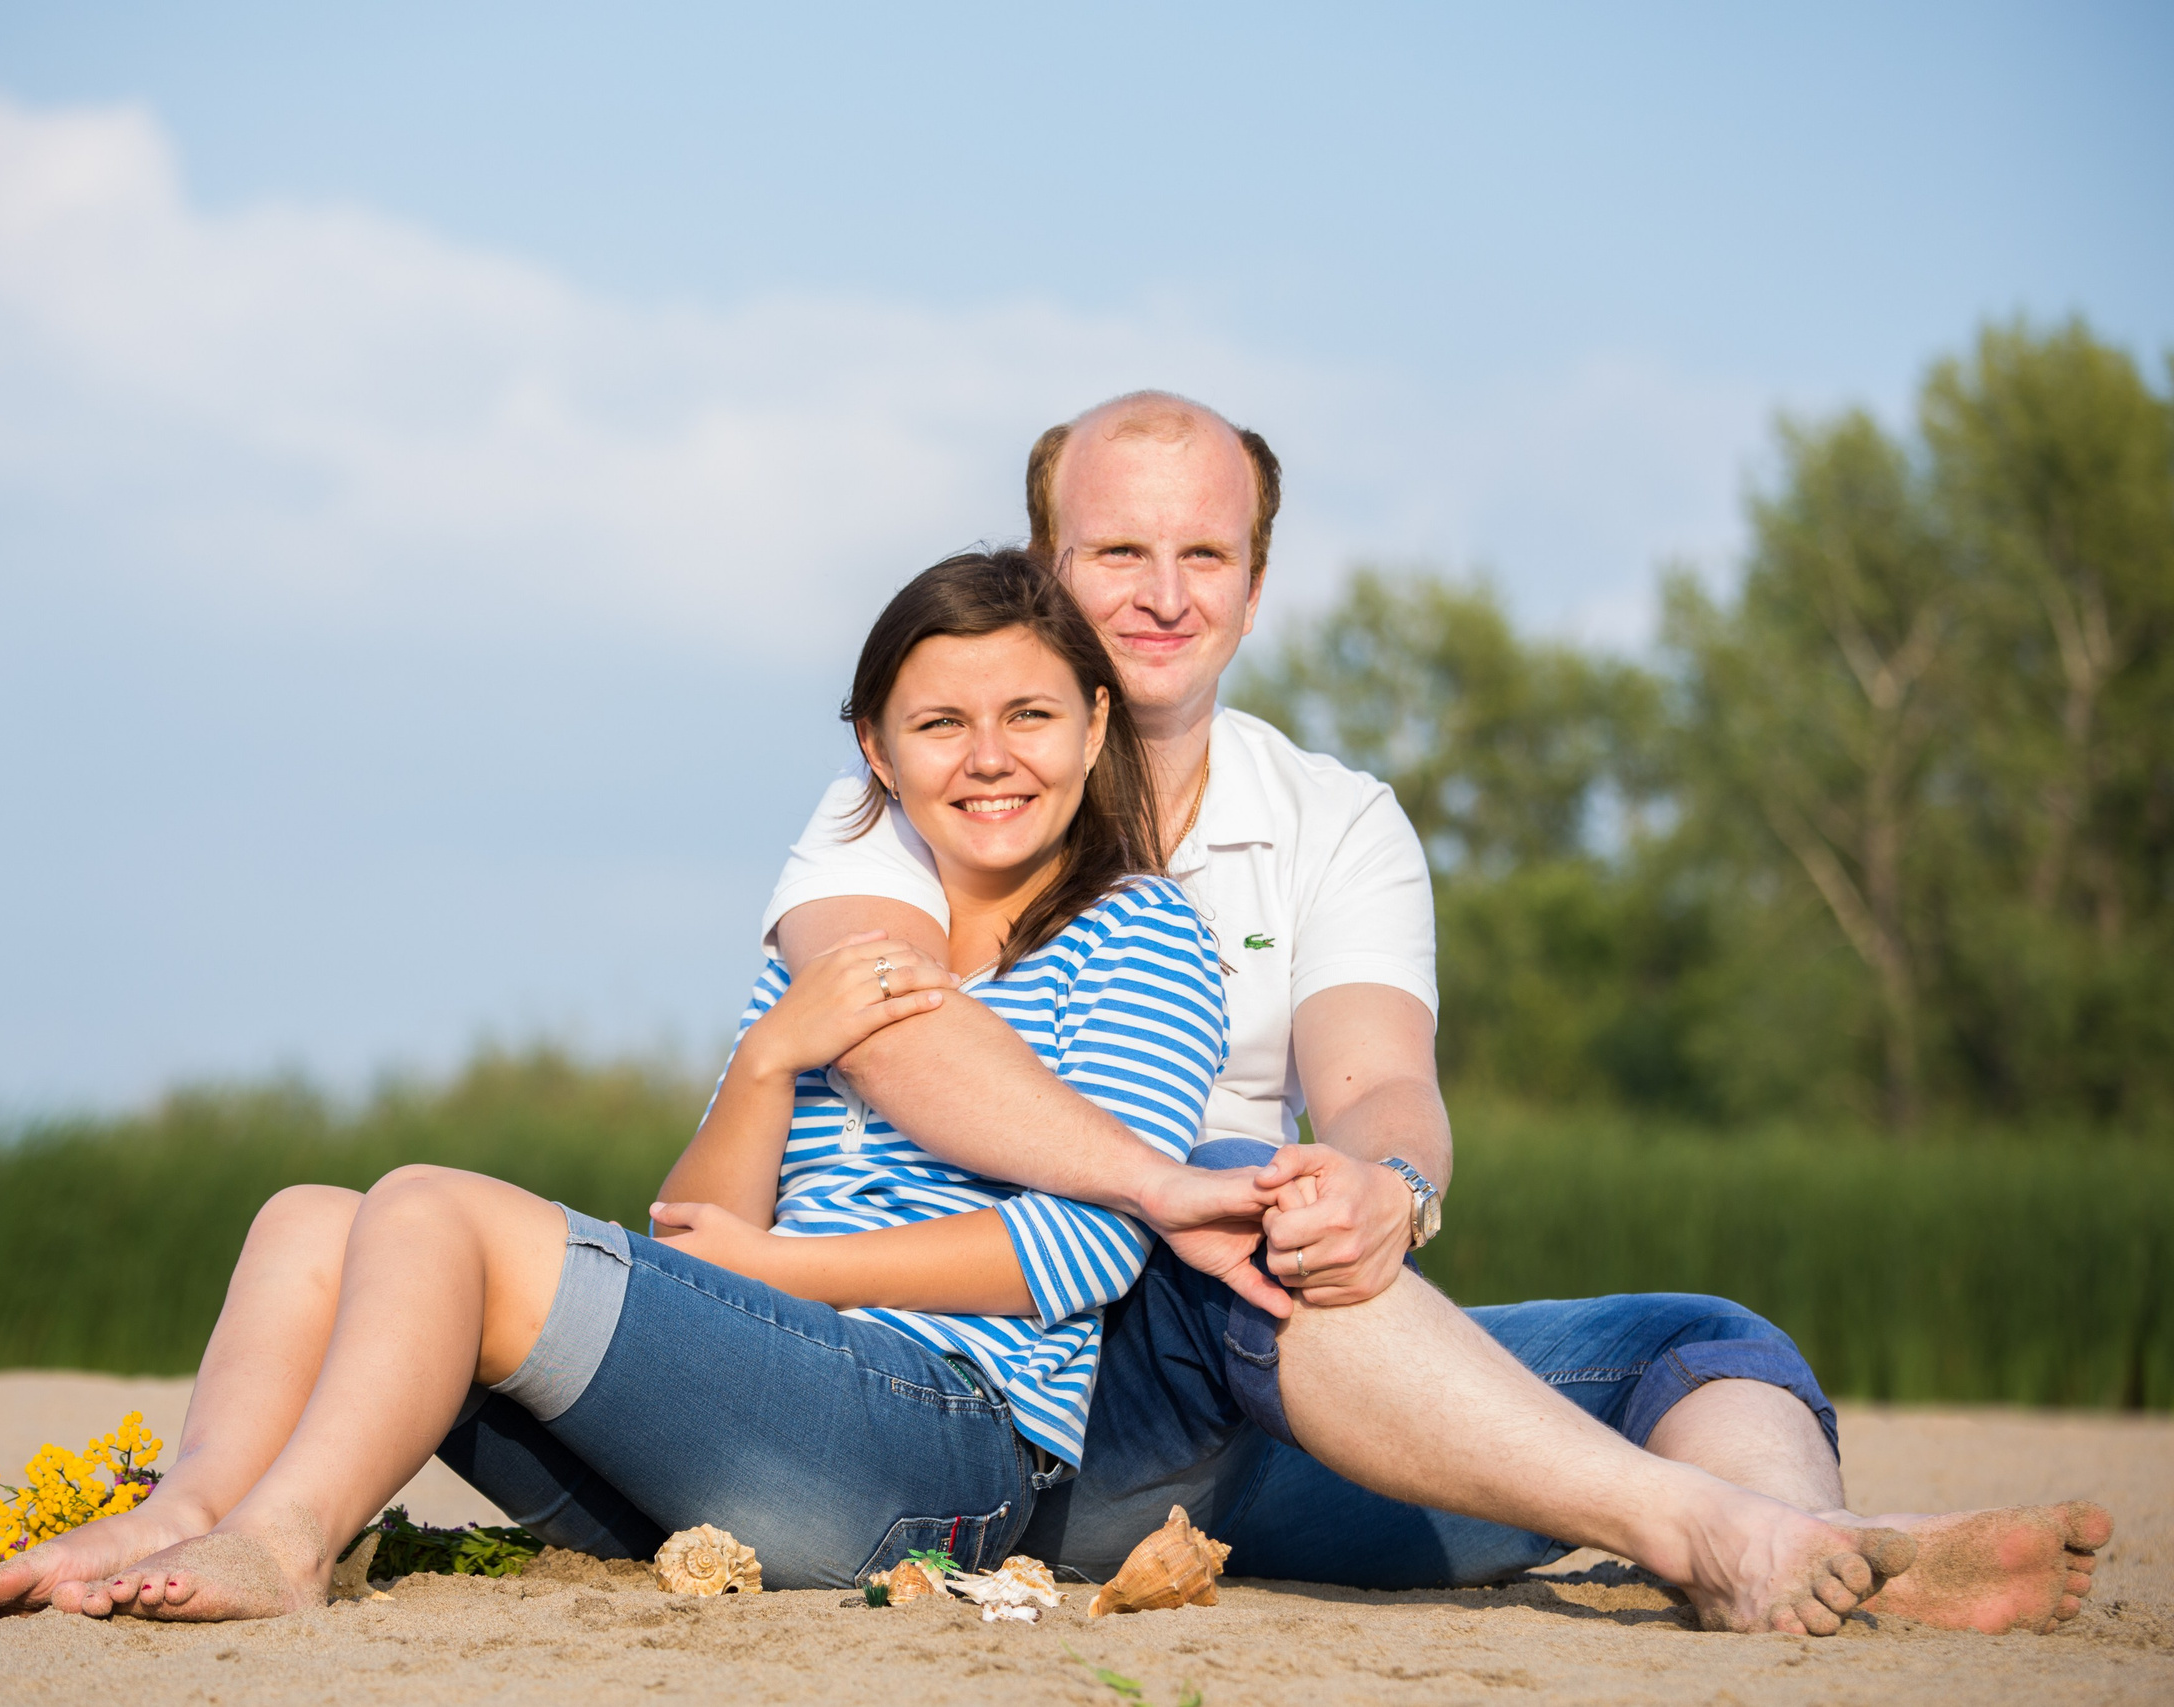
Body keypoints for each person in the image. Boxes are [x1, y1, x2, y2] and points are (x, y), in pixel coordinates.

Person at [0, 553, 1938, 1634]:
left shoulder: (1145, 939)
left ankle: (281, 1542)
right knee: (316, 1212)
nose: (983, 753)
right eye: (936, 719)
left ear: (1092, 728)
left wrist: (779, 1273)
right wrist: (766, 1054)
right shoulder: (833, 934)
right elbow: (689, 1216)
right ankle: (179, 1506)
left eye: (1025, 712)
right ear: (872, 747)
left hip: (942, 1436)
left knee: (429, 1198)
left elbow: (1083, 1243)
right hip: (768, 1407)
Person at [752, 392, 2108, 1636]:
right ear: (1041, 569)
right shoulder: (930, 785)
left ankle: (1812, 1545)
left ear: (1257, 585)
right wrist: (1173, 1193)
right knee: (1236, 1194)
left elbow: (1380, 1084)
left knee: (1701, 1340)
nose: (1165, 597)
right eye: (1118, 555)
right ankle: (1699, 1533)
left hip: (1301, 1381)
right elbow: (898, 1033)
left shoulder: (1340, 824)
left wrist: (1384, 1187)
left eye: (1206, 558)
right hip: (1049, 1376)